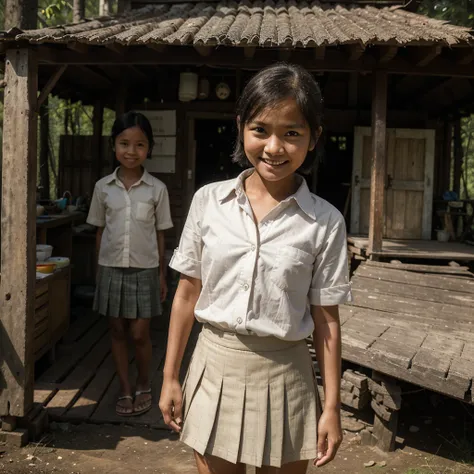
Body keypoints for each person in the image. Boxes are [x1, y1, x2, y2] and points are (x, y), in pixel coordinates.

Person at [159, 63, 352, 474]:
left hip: (288, 377)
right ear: (241, 127)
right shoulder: (208, 202)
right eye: (261, 130)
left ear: (314, 137)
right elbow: (187, 293)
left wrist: (331, 406)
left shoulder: (326, 222)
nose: (274, 147)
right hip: (214, 369)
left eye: (292, 133)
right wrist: (170, 375)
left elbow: (326, 320)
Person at [87, 111, 173, 417]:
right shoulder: (103, 188)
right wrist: (98, 273)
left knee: (139, 334)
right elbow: (99, 231)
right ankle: (124, 388)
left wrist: (162, 275)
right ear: (114, 146)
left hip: (146, 270)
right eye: (124, 143)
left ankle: (144, 384)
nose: (131, 151)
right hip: (110, 269)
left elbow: (161, 235)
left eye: (139, 144)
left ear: (149, 148)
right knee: (117, 331)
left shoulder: (157, 190)